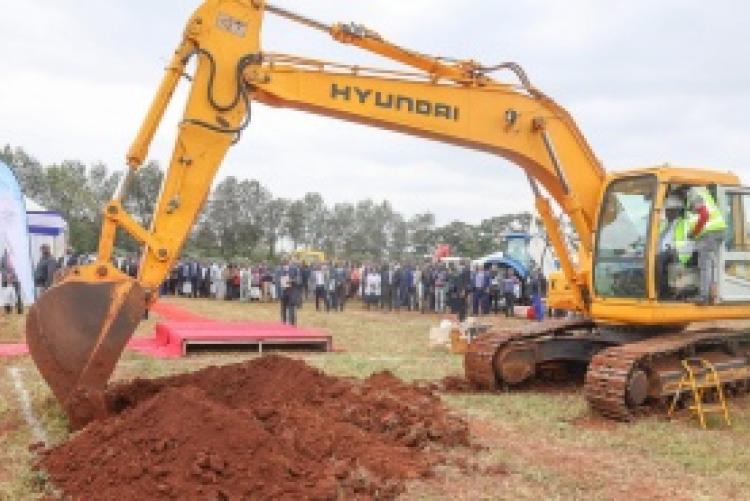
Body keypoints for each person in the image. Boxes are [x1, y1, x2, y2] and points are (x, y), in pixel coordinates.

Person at [685, 186, 727, 303]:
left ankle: (703, 296)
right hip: (716, 231)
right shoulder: (702, 193)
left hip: (710, 233)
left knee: (704, 265)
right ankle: (712, 294)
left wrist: (695, 232)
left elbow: (704, 215)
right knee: (710, 264)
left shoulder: (694, 193)